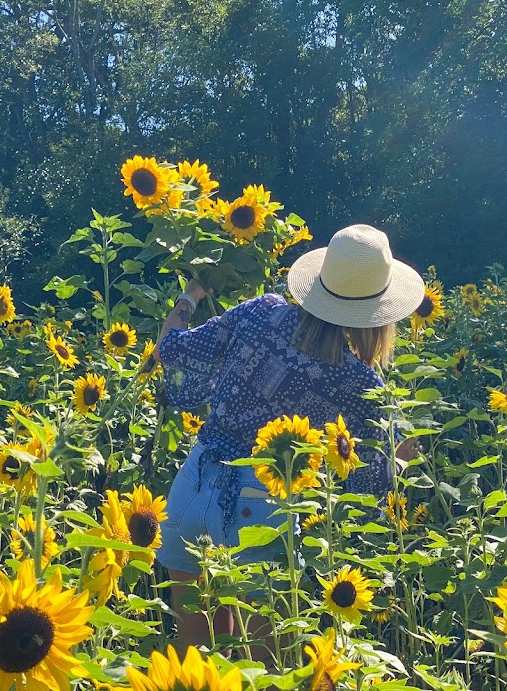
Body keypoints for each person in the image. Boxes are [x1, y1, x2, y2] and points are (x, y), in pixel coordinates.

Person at [153, 223, 425, 652]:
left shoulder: (261, 310)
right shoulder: (361, 384)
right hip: (261, 508)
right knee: (264, 667)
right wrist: (403, 460)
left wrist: (189, 298)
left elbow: (171, 350)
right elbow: (370, 486)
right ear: (379, 313)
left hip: (193, 483)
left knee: (192, 660)